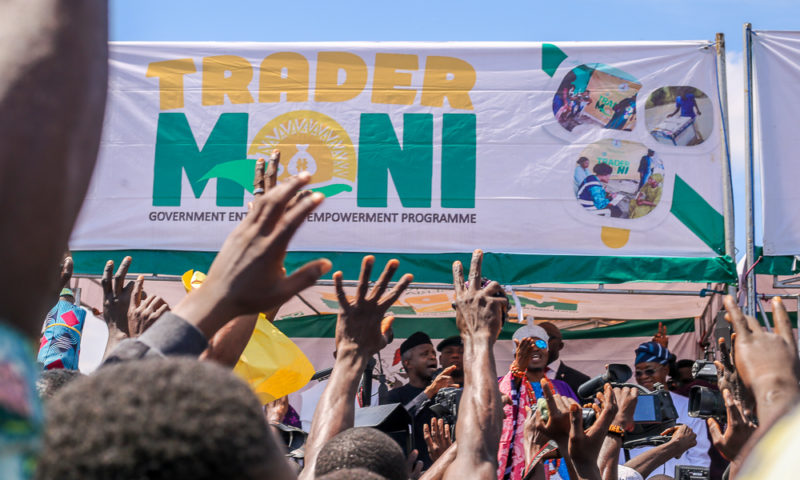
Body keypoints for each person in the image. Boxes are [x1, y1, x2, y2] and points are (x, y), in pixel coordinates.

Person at [497, 321, 579, 480]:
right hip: (524, 466)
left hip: (563, 468)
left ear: (548, 350)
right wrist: (516, 373)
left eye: (540, 343)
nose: (535, 348)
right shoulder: (503, 384)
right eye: (527, 344)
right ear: (517, 353)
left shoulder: (562, 387)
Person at [623, 341, 711, 478]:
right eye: (638, 373)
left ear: (666, 369)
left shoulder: (687, 406)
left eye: (649, 370)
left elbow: (699, 456)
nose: (643, 376)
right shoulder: (629, 405)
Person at [381, 331, 457, 468]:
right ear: (408, 363)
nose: (432, 357)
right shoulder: (395, 396)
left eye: (433, 353)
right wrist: (429, 392)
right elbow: (395, 423)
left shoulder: (445, 393)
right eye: (424, 354)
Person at [538, 321, 591, 400]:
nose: (541, 343)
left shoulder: (581, 381)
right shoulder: (521, 377)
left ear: (560, 346)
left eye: (547, 338)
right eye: (537, 338)